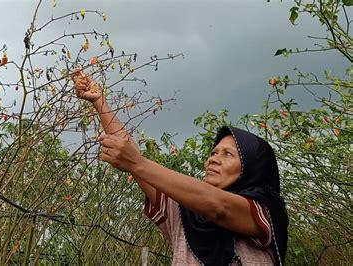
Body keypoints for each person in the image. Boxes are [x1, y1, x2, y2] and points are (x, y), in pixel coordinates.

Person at [72, 71, 289, 265]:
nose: (213, 159)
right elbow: (132, 157)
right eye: (214, 152)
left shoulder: (264, 212)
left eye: (228, 154)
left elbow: (219, 207)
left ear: (252, 168)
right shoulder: (182, 213)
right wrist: (99, 102)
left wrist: (138, 163)